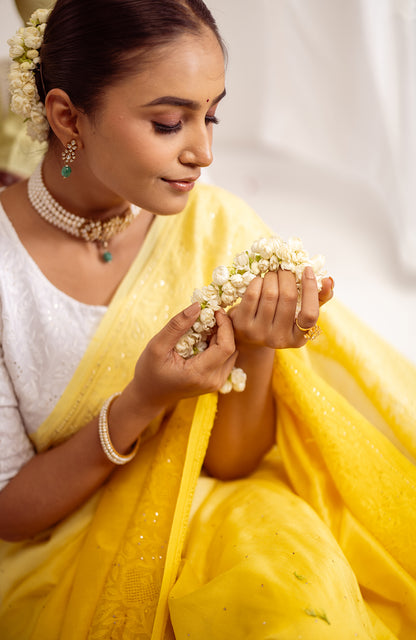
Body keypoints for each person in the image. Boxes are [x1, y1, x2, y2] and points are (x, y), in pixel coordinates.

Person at [0, 1, 415, 638]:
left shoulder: (218, 229)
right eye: (169, 122)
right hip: (62, 555)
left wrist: (256, 347)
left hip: (219, 516)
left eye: (212, 114)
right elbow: (10, 513)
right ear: (65, 115)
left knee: (285, 604)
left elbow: (233, 465)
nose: (204, 151)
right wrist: (140, 401)